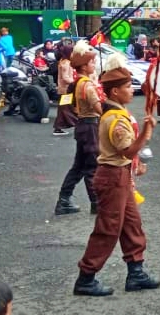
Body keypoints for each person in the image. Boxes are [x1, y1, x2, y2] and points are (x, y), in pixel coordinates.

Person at [74, 54, 159, 296]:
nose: (130, 91)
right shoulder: (115, 119)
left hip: (119, 175)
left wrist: (136, 163)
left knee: (132, 225)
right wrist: (146, 133)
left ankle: (136, 272)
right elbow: (127, 149)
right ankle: (86, 277)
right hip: (112, 178)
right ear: (113, 93)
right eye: (126, 88)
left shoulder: (116, 113)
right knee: (108, 228)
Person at [55, 42, 100, 215]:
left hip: (83, 126)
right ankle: (97, 203)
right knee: (91, 167)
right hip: (89, 127)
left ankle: (64, 199)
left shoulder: (79, 82)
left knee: (79, 166)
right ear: (83, 66)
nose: (94, 65)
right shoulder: (87, 85)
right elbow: (99, 109)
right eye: (91, 62)